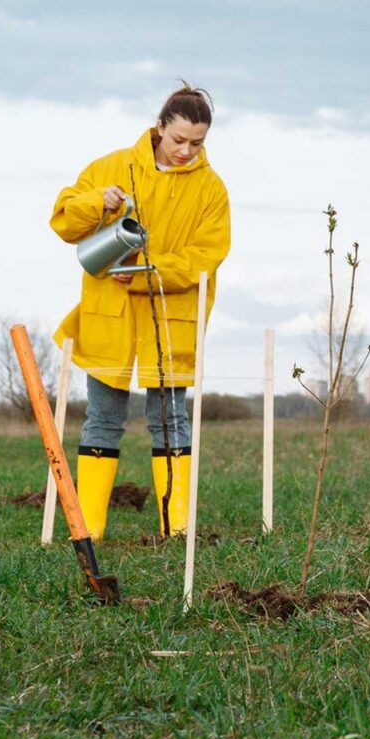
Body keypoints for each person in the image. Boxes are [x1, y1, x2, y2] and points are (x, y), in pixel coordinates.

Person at [50, 85, 230, 540]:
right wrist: (98, 204)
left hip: (173, 316)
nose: (187, 151)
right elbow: (64, 222)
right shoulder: (111, 168)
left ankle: (177, 528)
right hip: (108, 314)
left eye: (197, 143)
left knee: (170, 418)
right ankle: (88, 528)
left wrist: (151, 273)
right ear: (160, 127)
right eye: (179, 141)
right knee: (103, 416)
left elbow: (206, 256)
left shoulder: (212, 189)